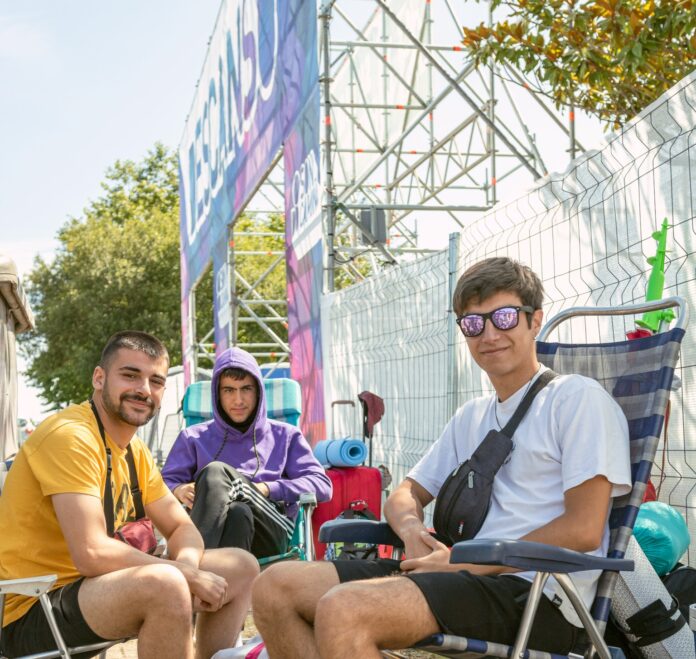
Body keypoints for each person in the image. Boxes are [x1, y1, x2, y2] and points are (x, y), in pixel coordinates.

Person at [252, 257, 632, 658]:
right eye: (473, 323)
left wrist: (461, 563)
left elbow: (585, 528)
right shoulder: (472, 416)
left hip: (539, 592)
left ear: (535, 320)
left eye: (504, 317)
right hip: (461, 575)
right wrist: (413, 533)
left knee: (344, 608)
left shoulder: (575, 398)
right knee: (275, 587)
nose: (489, 334)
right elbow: (403, 495)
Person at [0, 331, 259, 659]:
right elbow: (91, 552)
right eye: (130, 375)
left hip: (96, 591)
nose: (144, 389)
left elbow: (181, 528)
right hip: (33, 607)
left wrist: (188, 567)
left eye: (156, 381)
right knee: (165, 584)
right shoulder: (71, 437)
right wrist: (182, 575)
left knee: (240, 565)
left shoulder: (133, 448)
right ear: (99, 378)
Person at [162, 347, 332, 559]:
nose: (239, 400)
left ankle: (190, 564)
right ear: (217, 393)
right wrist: (178, 489)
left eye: (246, 389)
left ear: (258, 391)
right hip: (226, 530)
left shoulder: (285, 436)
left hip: (271, 528)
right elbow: (161, 484)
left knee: (215, 472)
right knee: (237, 513)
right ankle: (224, 583)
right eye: (229, 390)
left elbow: (322, 485)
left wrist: (268, 489)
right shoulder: (193, 437)